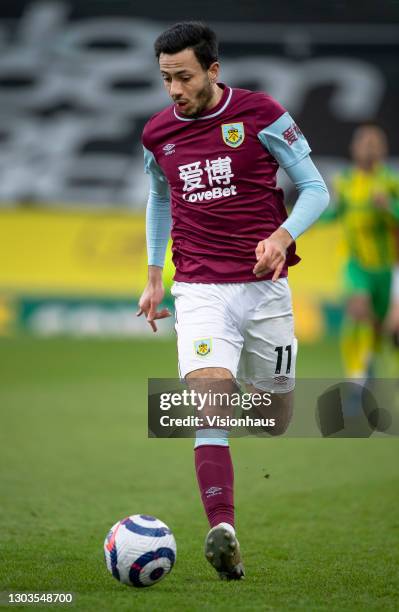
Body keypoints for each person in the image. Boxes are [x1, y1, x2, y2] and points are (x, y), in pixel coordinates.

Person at [137, 22, 329, 580]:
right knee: (211, 395)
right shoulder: (157, 135)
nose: (174, 90)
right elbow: (159, 198)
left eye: (185, 77)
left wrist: (283, 236)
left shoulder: (261, 115)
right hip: (199, 288)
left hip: (264, 288)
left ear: (213, 71)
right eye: (165, 78)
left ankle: (252, 381)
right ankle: (223, 527)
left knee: (271, 419)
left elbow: (316, 188)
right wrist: (154, 275)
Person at [326, 125, 399, 381]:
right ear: (353, 149)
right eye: (363, 143)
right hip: (357, 264)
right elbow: (335, 213)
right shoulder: (344, 182)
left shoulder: (391, 181)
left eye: (374, 143)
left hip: (387, 267)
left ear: (382, 149)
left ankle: (373, 363)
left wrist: (389, 206)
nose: (368, 148)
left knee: (386, 329)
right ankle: (357, 375)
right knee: (358, 309)